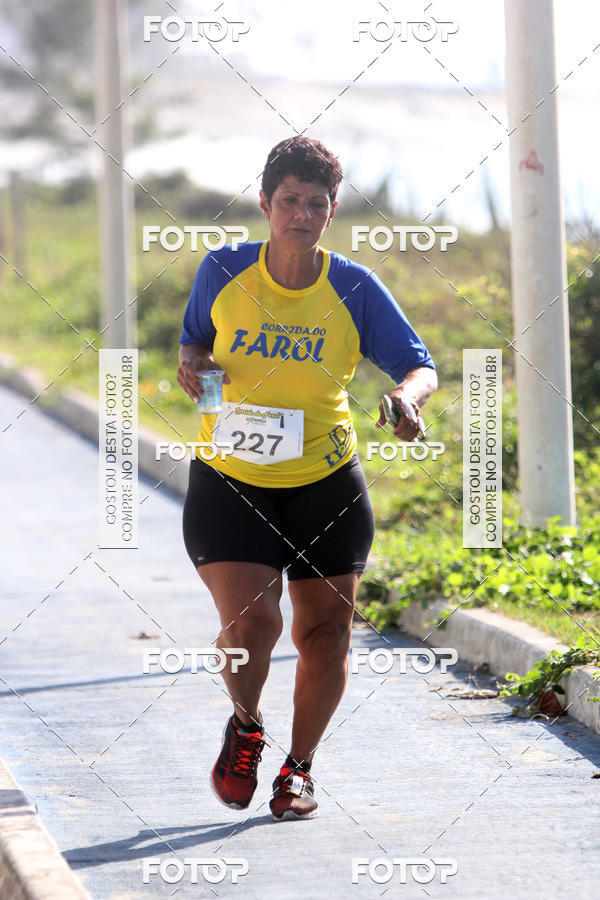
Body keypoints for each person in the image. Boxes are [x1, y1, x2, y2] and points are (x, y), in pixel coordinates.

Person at [177, 136, 437, 821]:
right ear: (265, 203)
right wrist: (194, 365)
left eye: (315, 204)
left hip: (325, 481)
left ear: (331, 211)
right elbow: (194, 340)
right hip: (231, 477)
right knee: (251, 623)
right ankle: (246, 726)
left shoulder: (353, 286)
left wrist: (408, 400)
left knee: (326, 634)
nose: (300, 214)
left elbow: (420, 363)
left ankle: (299, 769)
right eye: (288, 201)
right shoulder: (224, 269)